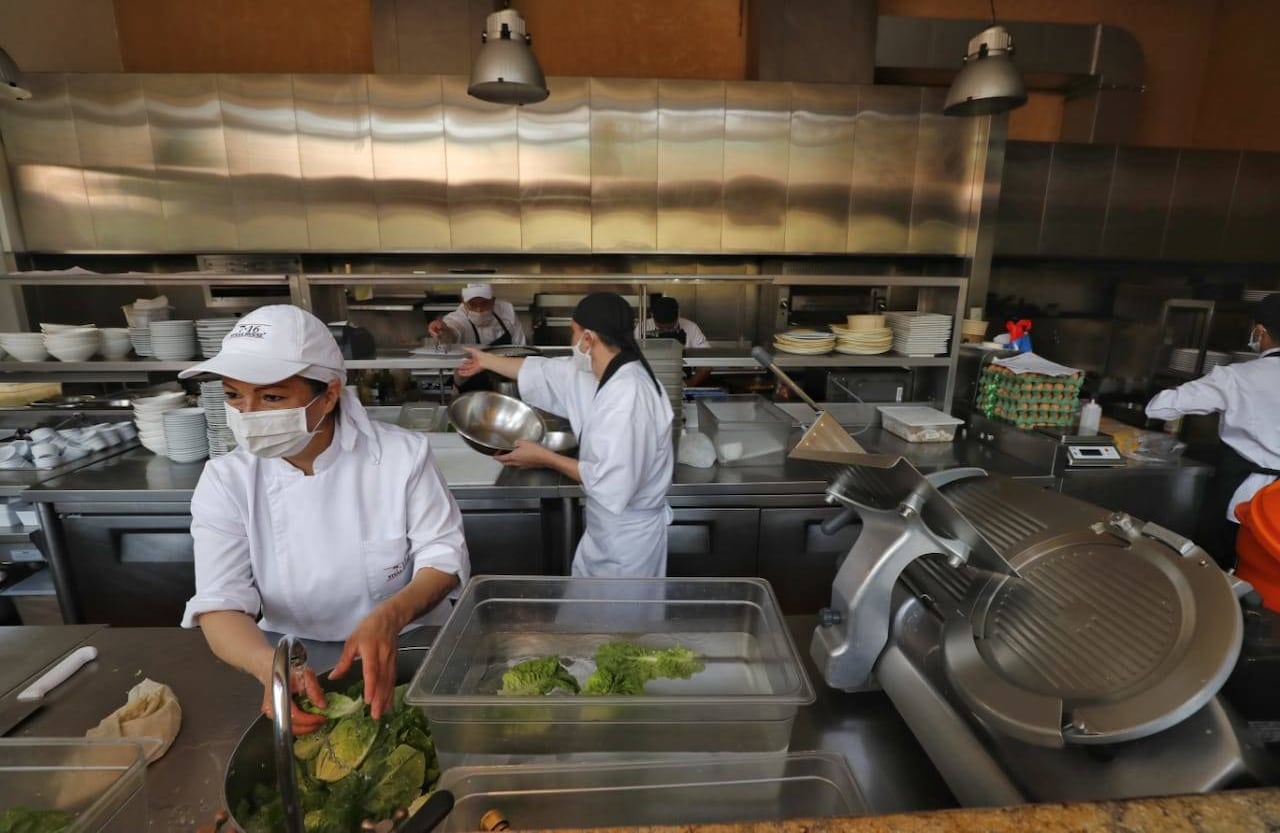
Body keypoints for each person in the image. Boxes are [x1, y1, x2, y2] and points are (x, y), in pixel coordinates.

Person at [179, 305, 469, 732]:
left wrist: (388, 617)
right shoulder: (227, 480)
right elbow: (219, 603)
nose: (249, 413)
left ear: (329, 394)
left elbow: (443, 556)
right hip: (294, 658)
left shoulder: (400, 457)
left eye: (272, 397)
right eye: (234, 395)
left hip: (409, 647)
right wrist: (271, 671)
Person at [457, 292, 675, 577]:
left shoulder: (629, 395)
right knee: (591, 615)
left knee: (623, 619)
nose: (571, 342)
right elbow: (541, 371)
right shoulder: (600, 371)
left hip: (629, 546)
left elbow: (611, 481)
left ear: (588, 338)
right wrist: (485, 361)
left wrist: (545, 458)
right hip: (605, 530)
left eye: (573, 332)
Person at [1146, 293, 1280, 568]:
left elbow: (1158, 408)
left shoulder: (1236, 377)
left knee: (1222, 573)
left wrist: (1214, 399)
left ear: (1260, 331)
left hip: (1244, 501)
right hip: (1275, 511)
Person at [635, 296, 713, 386]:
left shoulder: (692, 328)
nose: (665, 331)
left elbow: (707, 362)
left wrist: (690, 384)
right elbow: (632, 359)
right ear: (653, 316)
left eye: (670, 328)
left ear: (677, 316)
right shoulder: (642, 328)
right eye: (660, 328)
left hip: (682, 381)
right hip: (649, 383)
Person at [427, 283, 527, 348]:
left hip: (505, 372)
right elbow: (452, 332)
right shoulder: (458, 317)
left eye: (484, 303)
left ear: (493, 301)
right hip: (471, 376)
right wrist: (444, 331)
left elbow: (521, 348)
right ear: (464, 303)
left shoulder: (507, 311)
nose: (479, 309)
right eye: (473, 305)